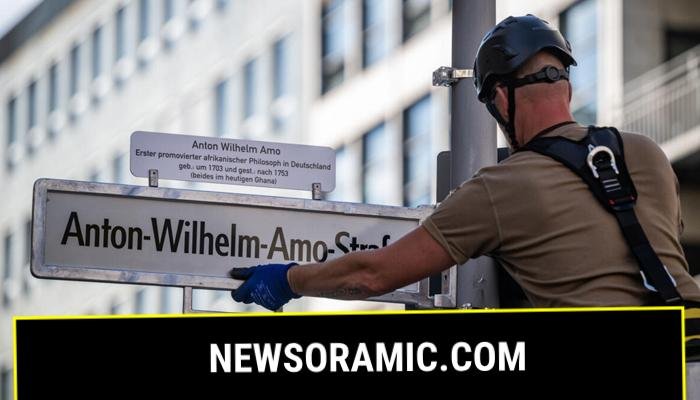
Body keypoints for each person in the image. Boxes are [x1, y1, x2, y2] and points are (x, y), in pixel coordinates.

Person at [229, 14, 700, 312]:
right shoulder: (646, 153)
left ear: (499, 100)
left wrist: (289, 279)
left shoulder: (499, 188)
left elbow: (372, 274)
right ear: (568, 89)